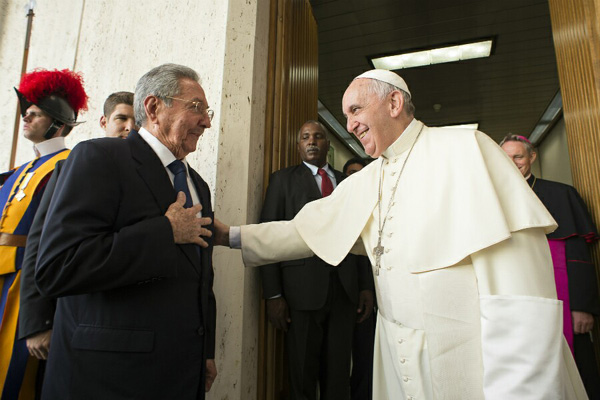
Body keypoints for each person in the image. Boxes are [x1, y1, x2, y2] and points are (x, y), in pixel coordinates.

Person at [215, 69, 588, 399]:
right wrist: (231, 236)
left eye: (356, 110)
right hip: (394, 352)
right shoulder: (368, 178)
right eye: (345, 116)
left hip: (467, 352)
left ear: (394, 102)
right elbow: (304, 231)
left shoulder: (465, 149)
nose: (349, 125)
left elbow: (520, 287)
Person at [33, 63, 217, 399]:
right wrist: (165, 232)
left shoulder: (198, 186)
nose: (206, 121)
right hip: (110, 378)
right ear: (153, 107)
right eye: (195, 108)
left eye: (207, 111)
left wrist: (205, 350)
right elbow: (57, 266)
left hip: (181, 372)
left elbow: (202, 277)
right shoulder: (98, 158)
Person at [17, 90, 138, 381]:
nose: (129, 127)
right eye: (121, 118)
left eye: (136, 121)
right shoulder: (69, 167)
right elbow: (39, 244)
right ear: (104, 121)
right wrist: (36, 322)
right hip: (66, 318)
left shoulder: (151, 176)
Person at [260, 120, 374, 399]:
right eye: (305, 137)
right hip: (301, 294)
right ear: (298, 145)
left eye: (318, 137)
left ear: (328, 145)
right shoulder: (282, 180)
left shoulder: (348, 183)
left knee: (338, 377)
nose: (312, 141)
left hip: (344, 292)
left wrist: (365, 286)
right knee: (302, 374)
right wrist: (273, 294)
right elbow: (268, 237)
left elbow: (358, 236)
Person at [0, 68, 88, 399]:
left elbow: (57, 241)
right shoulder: (18, 172)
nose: (25, 116)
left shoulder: (69, 165)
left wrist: (42, 317)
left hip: (28, 285)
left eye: (34, 113)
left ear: (57, 122)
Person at [501, 134, 600, 399]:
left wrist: (581, 307)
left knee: (577, 365)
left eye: (518, 156)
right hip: (516, 298)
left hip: (561, 296)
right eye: (505, 157)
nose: (512, 163)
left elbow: (579, 256)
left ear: (532, 157)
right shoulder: (490, 199)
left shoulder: (560, 194)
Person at [342, 158, 376, 400]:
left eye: (359, 173)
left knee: (366, 357)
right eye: (349, 173)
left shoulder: (376, 204)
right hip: (338, 296)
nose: (354, 177)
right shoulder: (339, 205)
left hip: (369, 296)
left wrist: (366, 288)